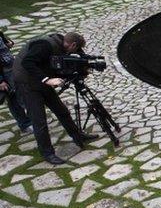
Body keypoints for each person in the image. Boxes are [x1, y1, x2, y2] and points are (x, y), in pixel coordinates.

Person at [12, 32, 98, 165]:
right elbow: (27, 62)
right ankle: (47, 153)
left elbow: (80, 54)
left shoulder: (63, 44)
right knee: (39, 120)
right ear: (72, 44)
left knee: (62, 111)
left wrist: (85, 65)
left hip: (41, 80)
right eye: (76, 49)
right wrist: (47, 80)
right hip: (27, 83)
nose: (75, 52)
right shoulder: (45, 45)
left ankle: (77, 135)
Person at [0, 31, 32, 134]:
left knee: (21, 94)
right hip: (4, 72)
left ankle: (31, 121)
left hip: (11, 66)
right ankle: (25, 124)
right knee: (14, 98)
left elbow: (6, 42)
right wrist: (0, 81)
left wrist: (9, 43)